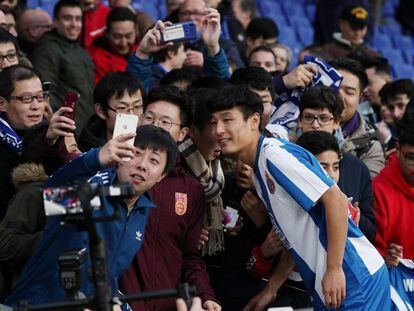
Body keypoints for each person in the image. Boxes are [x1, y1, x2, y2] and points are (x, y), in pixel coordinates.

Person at [208, 85, 390, 310]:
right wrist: (271, 289)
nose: (218, 129)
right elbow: (295, 235)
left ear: (254, 121)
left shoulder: (274, 155)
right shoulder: (259, 169)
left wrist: (333, 268)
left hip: (353, 277)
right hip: (332, 283)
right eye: (214, 122)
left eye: (227, 120)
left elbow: (335, 200)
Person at [5, 125, 178, 308]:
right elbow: (51, 197)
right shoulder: (93, 190)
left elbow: (108, 274)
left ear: (162, 176)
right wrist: (96, 158)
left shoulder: (141, 210)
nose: (142, 165)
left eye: (153, 160)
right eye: (136, 153)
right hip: (38, 304)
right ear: (120, 157)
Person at [120, 86, 220, 311]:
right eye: (149, 117)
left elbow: (189, 257)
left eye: (165, 122)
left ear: (183, 133)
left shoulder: (191, 189)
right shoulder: (114, 170)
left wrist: (205, 296)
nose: (155, 126)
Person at [297, 86, 376, 243]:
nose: (316, 125)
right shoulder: (286, 161)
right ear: (300, 120)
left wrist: (356, 218)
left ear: (337, 122)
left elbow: (372, 232)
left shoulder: (356, 168)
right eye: (308, 117)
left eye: (324, 118)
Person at [0, 65, 76, 221]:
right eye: (26, 99)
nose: (35, 106)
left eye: (40, 97)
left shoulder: (54, 135)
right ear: (2, 103)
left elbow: (68, 192)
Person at [31, 0, 95, 135]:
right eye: (67, 18)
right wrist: (61, 125)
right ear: (55, 21)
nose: (74, 24)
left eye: (78, 19)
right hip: (66, 131)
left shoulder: (81, 51)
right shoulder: (47, 49)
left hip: (86, 130)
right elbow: (46, 92)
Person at [126, 12, 229, 92]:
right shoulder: (154, 83)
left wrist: (212, 46)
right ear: (170, 52)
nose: (186, 55)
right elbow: (135, 92)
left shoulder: (191, 76)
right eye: (183, 50)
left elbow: (219, 87)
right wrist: (143, 53)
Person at [330, 57, 384, 178]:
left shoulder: (370, 145)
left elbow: (366, 191)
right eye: (333, 88)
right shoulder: (299, 120)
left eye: (349, 92)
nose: (339, 97)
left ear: (360, 97)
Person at [373, 124, 414, 267]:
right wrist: (386, 258)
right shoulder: (378, 190)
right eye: (411, 158)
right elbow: (373, 254)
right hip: (396, 283)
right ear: (397, 150)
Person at [78, 71, 144, 152]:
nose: (131, 115)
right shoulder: (83, 150)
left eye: (137, 106)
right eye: (122, 107)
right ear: (100, 111)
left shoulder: (150, 143)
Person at [177, 0, 244, 69]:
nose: (191, 18)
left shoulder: (225, 46)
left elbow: (239, 73)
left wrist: (208, 62)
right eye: (185, 13)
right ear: (179, 17)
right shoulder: (171, 45)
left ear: (207, 17)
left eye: (197, 13)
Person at [90, 7, 138, 84]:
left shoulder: (144, 50)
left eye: (128, 36)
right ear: (107, 33)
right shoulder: (97, 59)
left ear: (136, 32)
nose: (123, 43)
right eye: (117, 37)